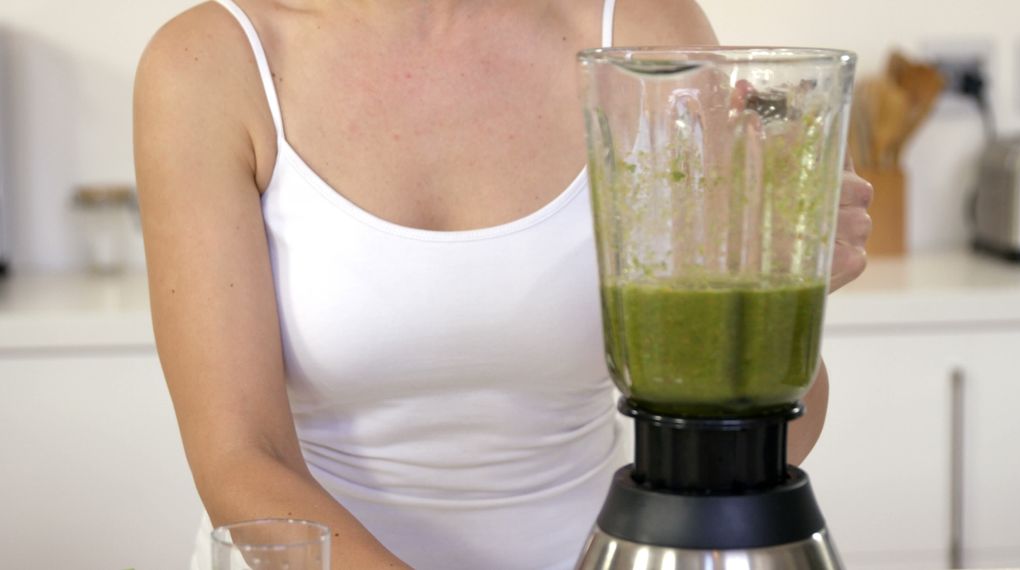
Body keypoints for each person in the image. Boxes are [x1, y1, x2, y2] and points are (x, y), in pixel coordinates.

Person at [133, 0, 873, 568]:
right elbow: (240, 459)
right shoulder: (211, 64)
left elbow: (762, 421)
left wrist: (774, 303)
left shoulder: (638, 30)